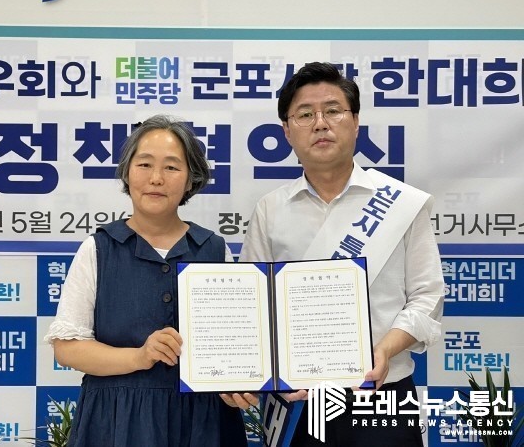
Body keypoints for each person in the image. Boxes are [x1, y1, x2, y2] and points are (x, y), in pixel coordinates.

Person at [238, 62, 444, 446]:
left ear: (355, 123)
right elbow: (252, 305)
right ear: (287, 131)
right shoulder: (270, 209)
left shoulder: (400, 204)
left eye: (333, 110)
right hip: (299, 401)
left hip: (382, 394)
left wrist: (384, 350)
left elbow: (427, 297)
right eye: (305, 114)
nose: (320, 123)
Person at [44, 114, 249, 447]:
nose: (156, 178)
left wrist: (238, 381)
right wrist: (139, 357)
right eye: (144, 165)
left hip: (203, 421)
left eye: (171, 167)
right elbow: (67, 349)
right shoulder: (98, 249)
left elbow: (237, 343)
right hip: (117, 421)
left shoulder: (214, 249)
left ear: (191, 179)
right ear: (127, 172)